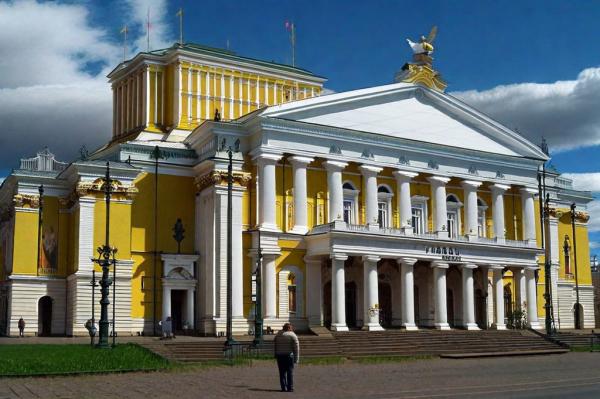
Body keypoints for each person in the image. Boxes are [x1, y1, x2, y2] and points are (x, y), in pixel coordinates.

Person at [273, 323, 299, 392]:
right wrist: (296, 359)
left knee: (282, 373)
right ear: (289, 328)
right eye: (291, 328)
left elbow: (275, 344)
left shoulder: (278, 335)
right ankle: (290, 388)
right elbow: (296, 348)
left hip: (280, 356)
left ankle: (283, 388)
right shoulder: (292, 335)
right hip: (289, 356)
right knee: (290, 372)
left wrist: (275, 354)